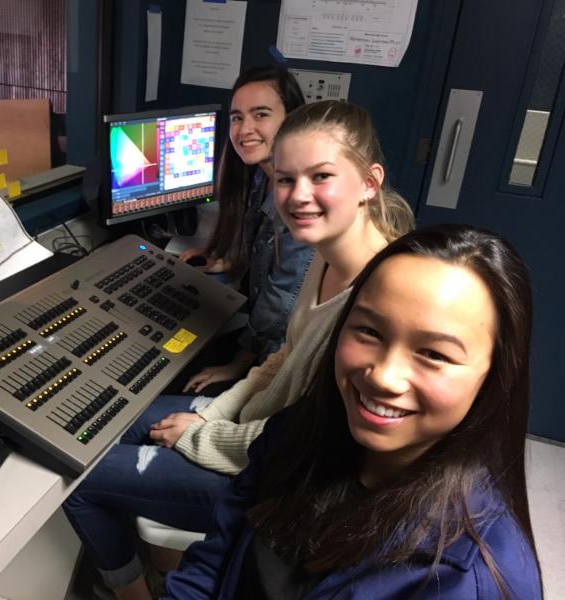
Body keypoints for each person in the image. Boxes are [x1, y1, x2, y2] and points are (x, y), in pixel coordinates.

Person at [62, 100, 415, 600]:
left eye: (321, 176)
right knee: (106, 421)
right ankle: (164, 563)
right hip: (252, 431)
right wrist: (213, 414)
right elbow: (284, 361)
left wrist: (201, 438)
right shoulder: (325, 256)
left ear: (369, 183)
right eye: (286, 180)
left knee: (77, 478)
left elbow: (306, 441)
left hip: (280, 479)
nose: (299, 196)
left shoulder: (376, 298)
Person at [165, 224, 543, 600]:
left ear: (495, 376)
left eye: (433, 354)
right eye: (369, 332)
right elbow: (214, 562)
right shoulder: (296, 431)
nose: (383, 377)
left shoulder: (471, 582)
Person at [177, 65, 313, 395]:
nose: (244, 129)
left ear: (292, 118)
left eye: (261, 114)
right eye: (237, 117)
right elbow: (264, 250)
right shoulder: (261, 177)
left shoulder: (302, 202)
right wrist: (230, 261)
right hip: (259, 345)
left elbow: (281, 304)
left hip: (277, 363)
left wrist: (237, 365)